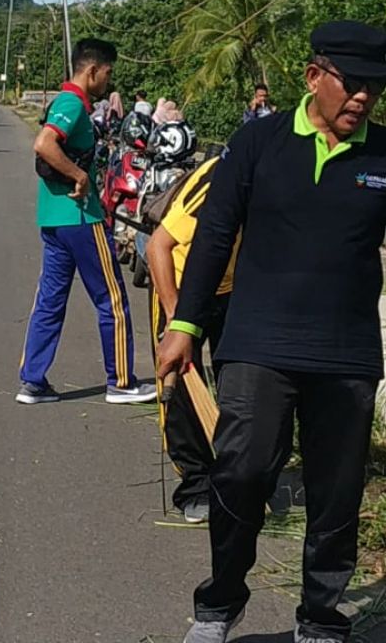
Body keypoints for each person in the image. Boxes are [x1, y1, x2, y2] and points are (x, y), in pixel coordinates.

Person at [158, 20, 386, 643]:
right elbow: (215, 232)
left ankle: (320, 615)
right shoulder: (258, 144)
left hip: (346, 348)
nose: (363, 98)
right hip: (257, 339)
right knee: (241, 471)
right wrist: (185, 322)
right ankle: (219, 603)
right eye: (352, 84)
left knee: (335, 488)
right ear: (314, 77)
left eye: (374, 87)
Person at [17, 37, 157, 406]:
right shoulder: (72, 103)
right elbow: (44, 143)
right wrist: (80, 176)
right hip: (80, 217)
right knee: (111, 299)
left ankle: (32, 381)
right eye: (108, 73)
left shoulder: (67, 102)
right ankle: (122, 382)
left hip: (54, 217)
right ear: (92, 70)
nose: (109, 82)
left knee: (49, 300)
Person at [147, 156, 237, 524]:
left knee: (242, 381)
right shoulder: (220, 180)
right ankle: (196, 484)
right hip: (182, 286)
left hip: (235, 287)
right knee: (181, 383)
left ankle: (236, 476)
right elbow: (157, 247)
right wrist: (176, 319)